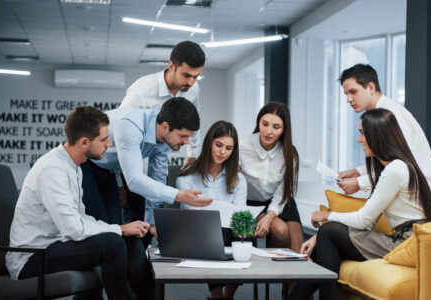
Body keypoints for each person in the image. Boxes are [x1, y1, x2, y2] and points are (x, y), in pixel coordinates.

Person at [288, 108, 431, 300]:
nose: (359, 140)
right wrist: (319, 236)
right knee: (326, 237)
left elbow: (363, 220)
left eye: (362, 133)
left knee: (329, 231)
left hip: (407, 243)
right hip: (404, 239)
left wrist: (326, 217)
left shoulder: (395, 170)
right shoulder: (395, 167)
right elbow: (368, 221)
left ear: (377, 135)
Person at [6, 106, 155, 300]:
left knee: (116, 240)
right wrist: (119, 229)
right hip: (30, 258)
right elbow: (75, 230)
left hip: (54, 246)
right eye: (104, 139)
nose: (109, 144)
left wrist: (120, 228)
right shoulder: (53, 170)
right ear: (84, 142)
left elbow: (81, 219)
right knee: (112, 244)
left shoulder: (73, 166)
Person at [83, 97, 213, 246]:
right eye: (183, 136)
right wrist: (180, 196)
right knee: (104, 229)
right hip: (86, 163)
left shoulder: (164, 138)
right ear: (165, 126)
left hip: (110, 170)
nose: (187, 142)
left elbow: (157, 179)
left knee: (115, 231)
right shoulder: (130, 126)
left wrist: (152, 224)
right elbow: (134, 181)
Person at [337, 64, 431, 202]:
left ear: (371, 87)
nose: (348, 99)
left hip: (426, 202)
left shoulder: (392, 115)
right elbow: (391, 156)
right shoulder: (378, 115)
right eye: (346, 94)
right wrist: (359, 171)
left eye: (353, 92)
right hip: (410, 199)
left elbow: (404, 164)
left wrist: (360, 183)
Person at [176, 120, 246, 300]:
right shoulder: (187, 176)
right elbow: (192, 216)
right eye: (219, 145)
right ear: (209, 143)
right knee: (214, 229)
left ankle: (228, 294)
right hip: (199, 231)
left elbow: (240, 215)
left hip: (230, 230)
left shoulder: (238, 179)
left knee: (245, 232)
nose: (223, 152)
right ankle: (216, 294)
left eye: (229, 148)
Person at [120, 40, 205, 169]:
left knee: (159, 182)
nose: (191, 82)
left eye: (195, 76)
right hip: (135, 151)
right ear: (171, 66)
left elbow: (194, 119)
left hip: (161, 150)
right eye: (186, 75)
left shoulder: (192, 89)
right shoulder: (141, 91)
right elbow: (121, 129)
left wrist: (193, 153)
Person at [239, 102, 303, 253]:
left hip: (281, 200)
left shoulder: (289, 155)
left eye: (276, 127)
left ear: (284, 129)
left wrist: (269, 216)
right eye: (265, 124)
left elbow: (282, 193)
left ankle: (282, 276)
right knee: (280, 230)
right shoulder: (241, 146)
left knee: (300, 255)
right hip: (250, 201)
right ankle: (269, 273)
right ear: (258, 123)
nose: (268, 131)